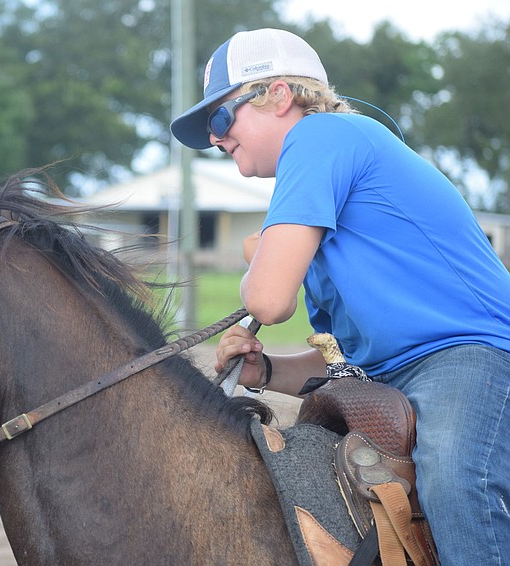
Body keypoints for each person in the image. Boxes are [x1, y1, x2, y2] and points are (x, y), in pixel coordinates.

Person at [170, 27, 510, 563]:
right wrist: (264, 373)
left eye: (220, 118)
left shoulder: (321, 137)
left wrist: (256, 260)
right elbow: (343, 360)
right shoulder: (322, 192)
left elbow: (267, 301)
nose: (216, 139)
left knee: (453, 477)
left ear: (279, 95)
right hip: (391, 375)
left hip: (472, 355)